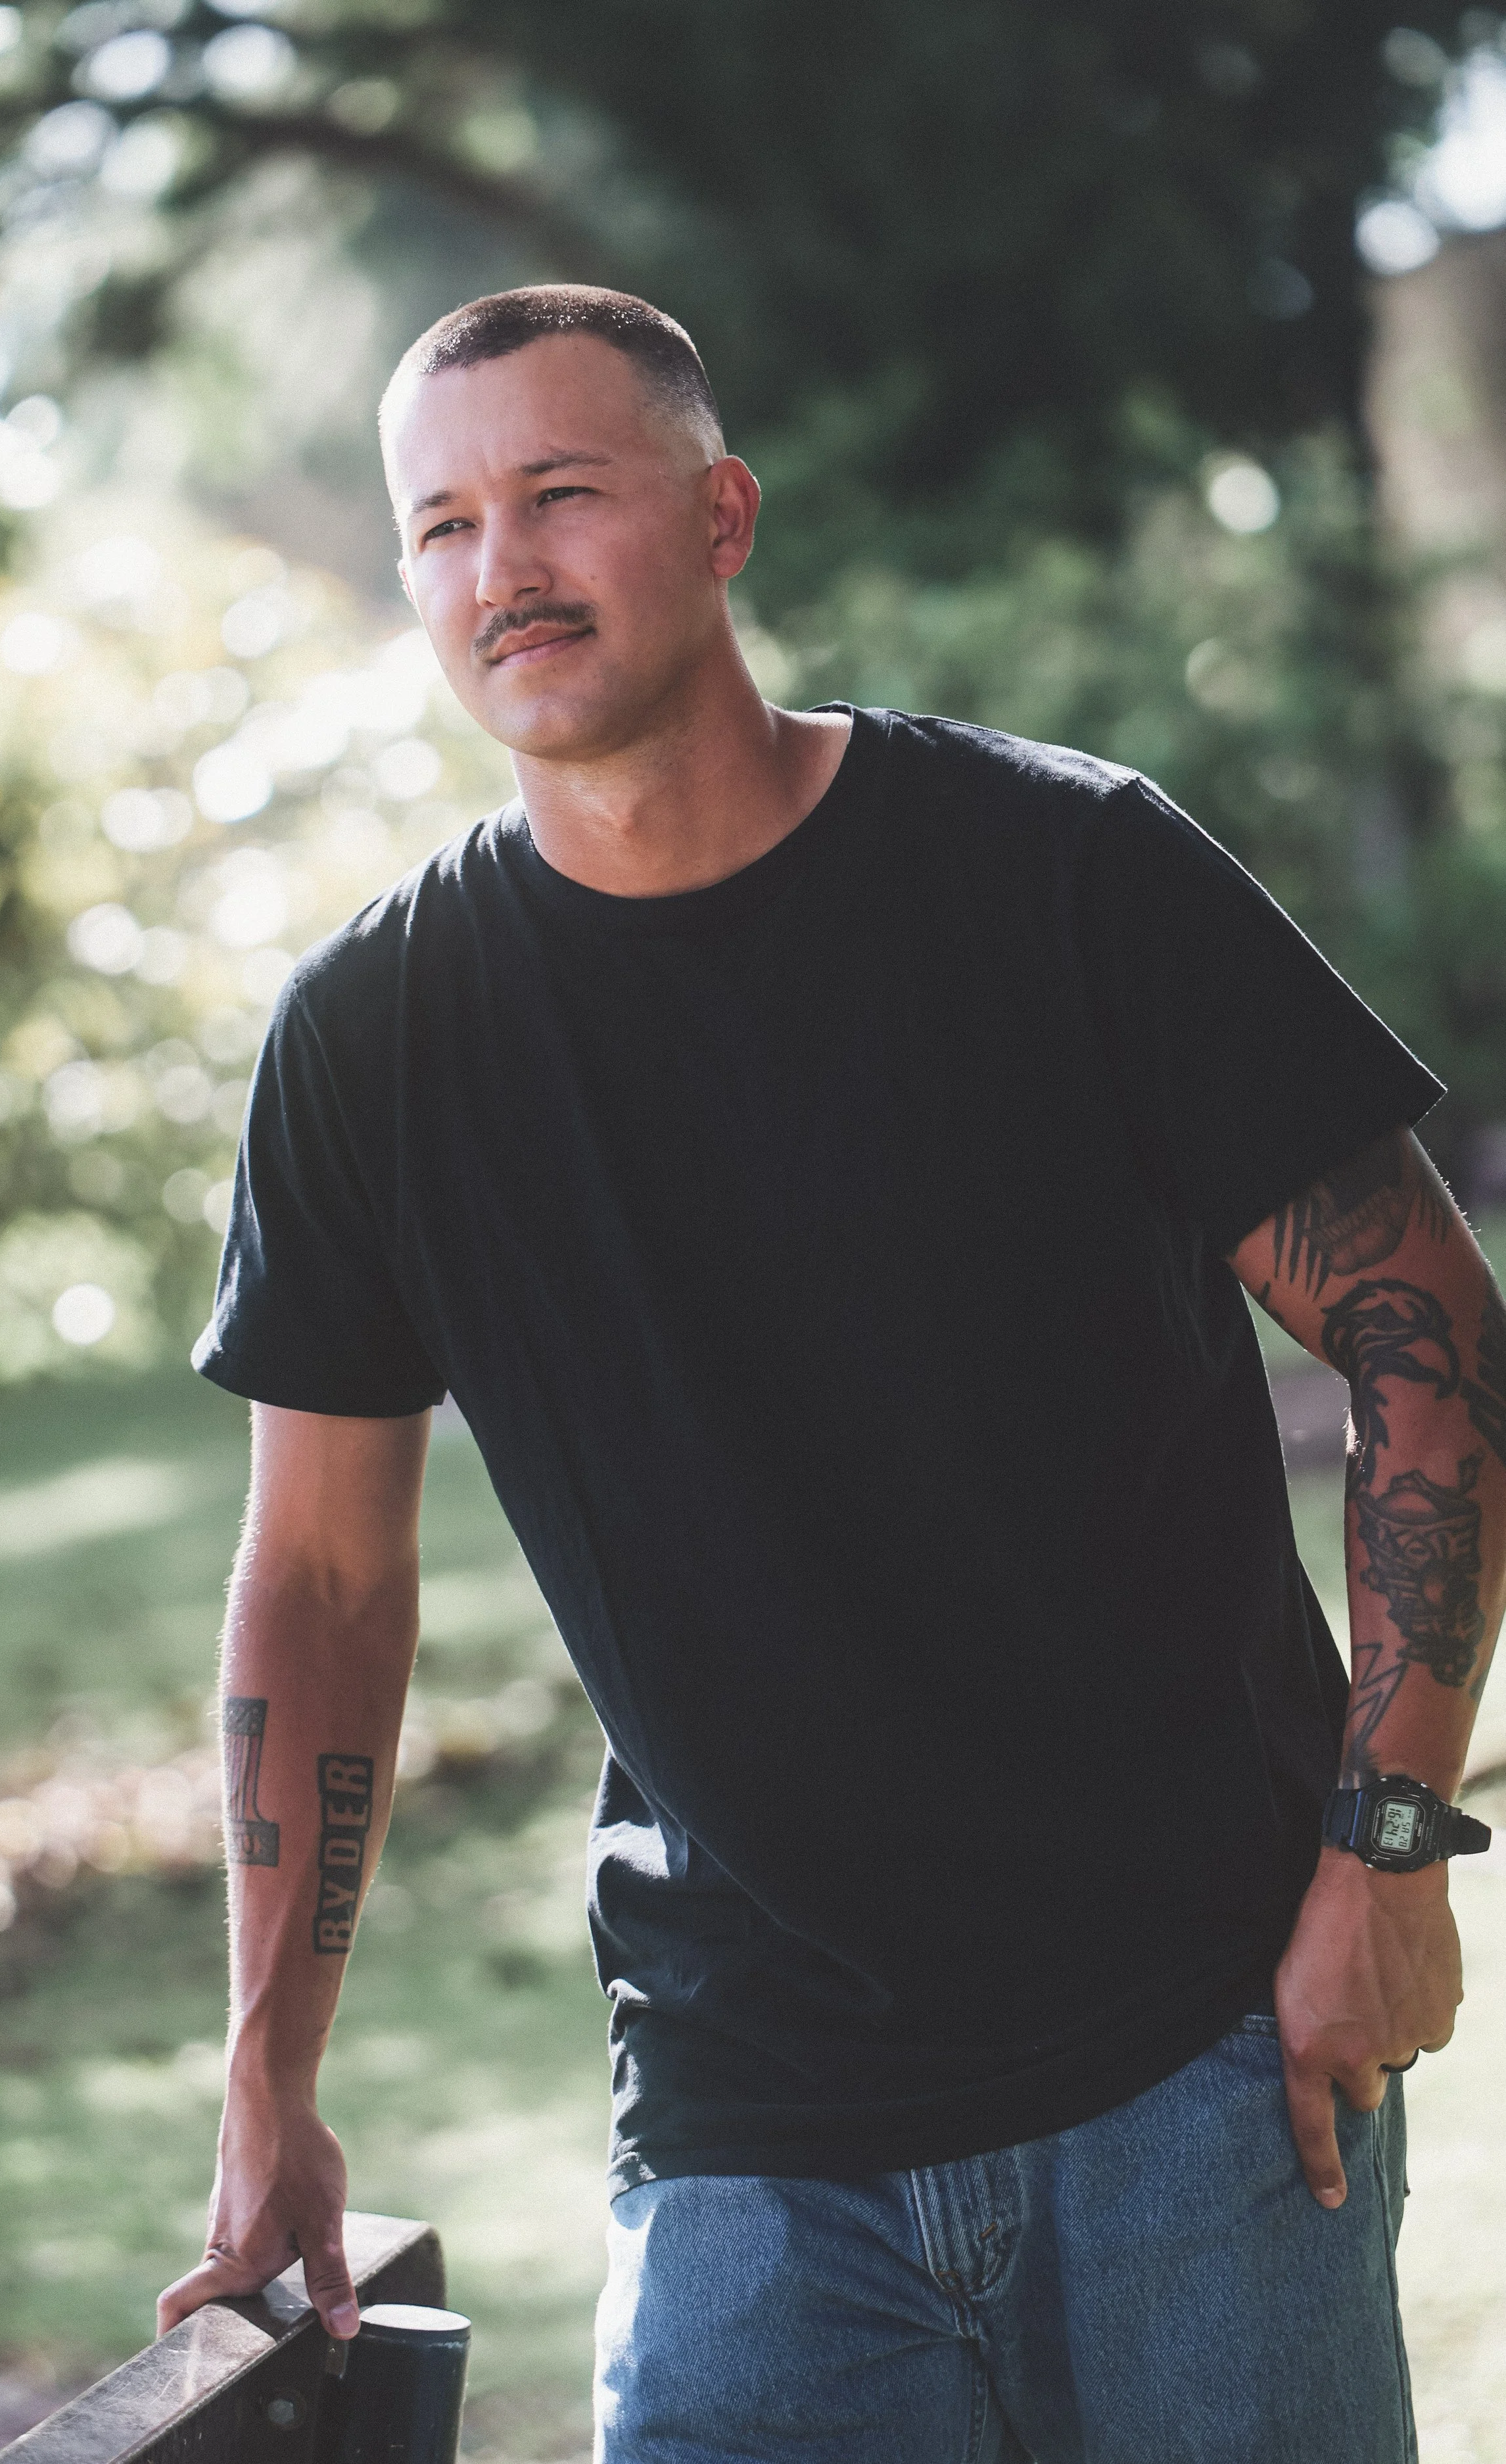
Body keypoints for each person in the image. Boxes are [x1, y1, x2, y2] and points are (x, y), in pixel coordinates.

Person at [158, 285, 1501, 2462]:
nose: (501, 566)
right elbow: (317, 1584)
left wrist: (1386, 1854)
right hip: (745, 2116)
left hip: (1204, 2063)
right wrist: (264, 2075)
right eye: (441, 526)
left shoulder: (1064, 874)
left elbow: (1427, 1345)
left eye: (561, 494)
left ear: (719, 515)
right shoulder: (376, 1043)